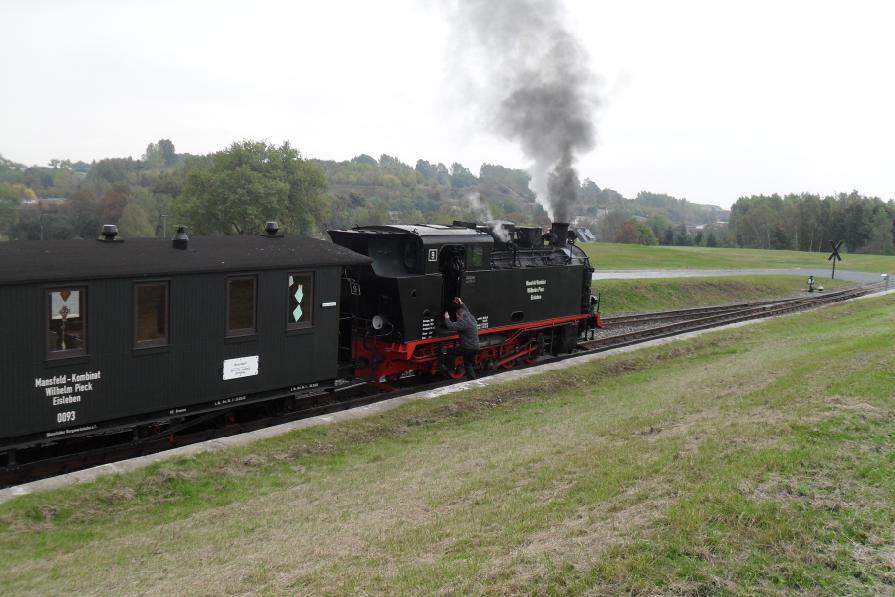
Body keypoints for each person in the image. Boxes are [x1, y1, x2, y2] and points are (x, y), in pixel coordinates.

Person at [441, 297, 480, 379]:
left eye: (457, 316)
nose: (457, 318)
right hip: (475, 347)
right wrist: (461, 303)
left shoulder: (463, 323)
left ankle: (450, 369)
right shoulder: (471, 318)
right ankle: (472, 379)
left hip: (467, 348)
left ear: (460, 316)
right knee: (468, 364)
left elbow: (451, 326)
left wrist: (447, 318)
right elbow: (466, 310)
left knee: (449, 351)